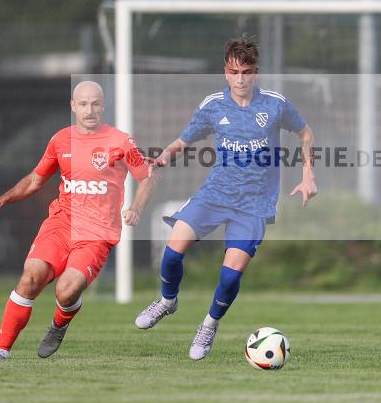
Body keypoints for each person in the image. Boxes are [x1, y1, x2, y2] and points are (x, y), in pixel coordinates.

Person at [134, 35, 317, 360]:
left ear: (255, 72)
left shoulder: (275, 104)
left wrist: (308, 175)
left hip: (253, 206)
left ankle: (208, 326)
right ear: (225, 72)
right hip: (214, 195)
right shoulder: (212, 106)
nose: (240, 79)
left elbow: (305, 133)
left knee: (230, 274)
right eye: (234, 72)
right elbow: (184, 140)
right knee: (173, 252)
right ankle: (166, 301)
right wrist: (162, 157)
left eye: (246, 72)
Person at [0, 81, 155, 360]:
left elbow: (147, 178)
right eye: (83, 104)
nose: (89, 109)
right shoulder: (60, 140)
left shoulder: (120, 141)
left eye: (95, 103)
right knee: (31, 276)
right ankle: (1, 352)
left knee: (66, 291)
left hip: (96, 233)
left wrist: (136, 208)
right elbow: (35, 180)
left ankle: (59, 324)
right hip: (60, 223)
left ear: (103, 106)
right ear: (73, 106)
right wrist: (2, 200)